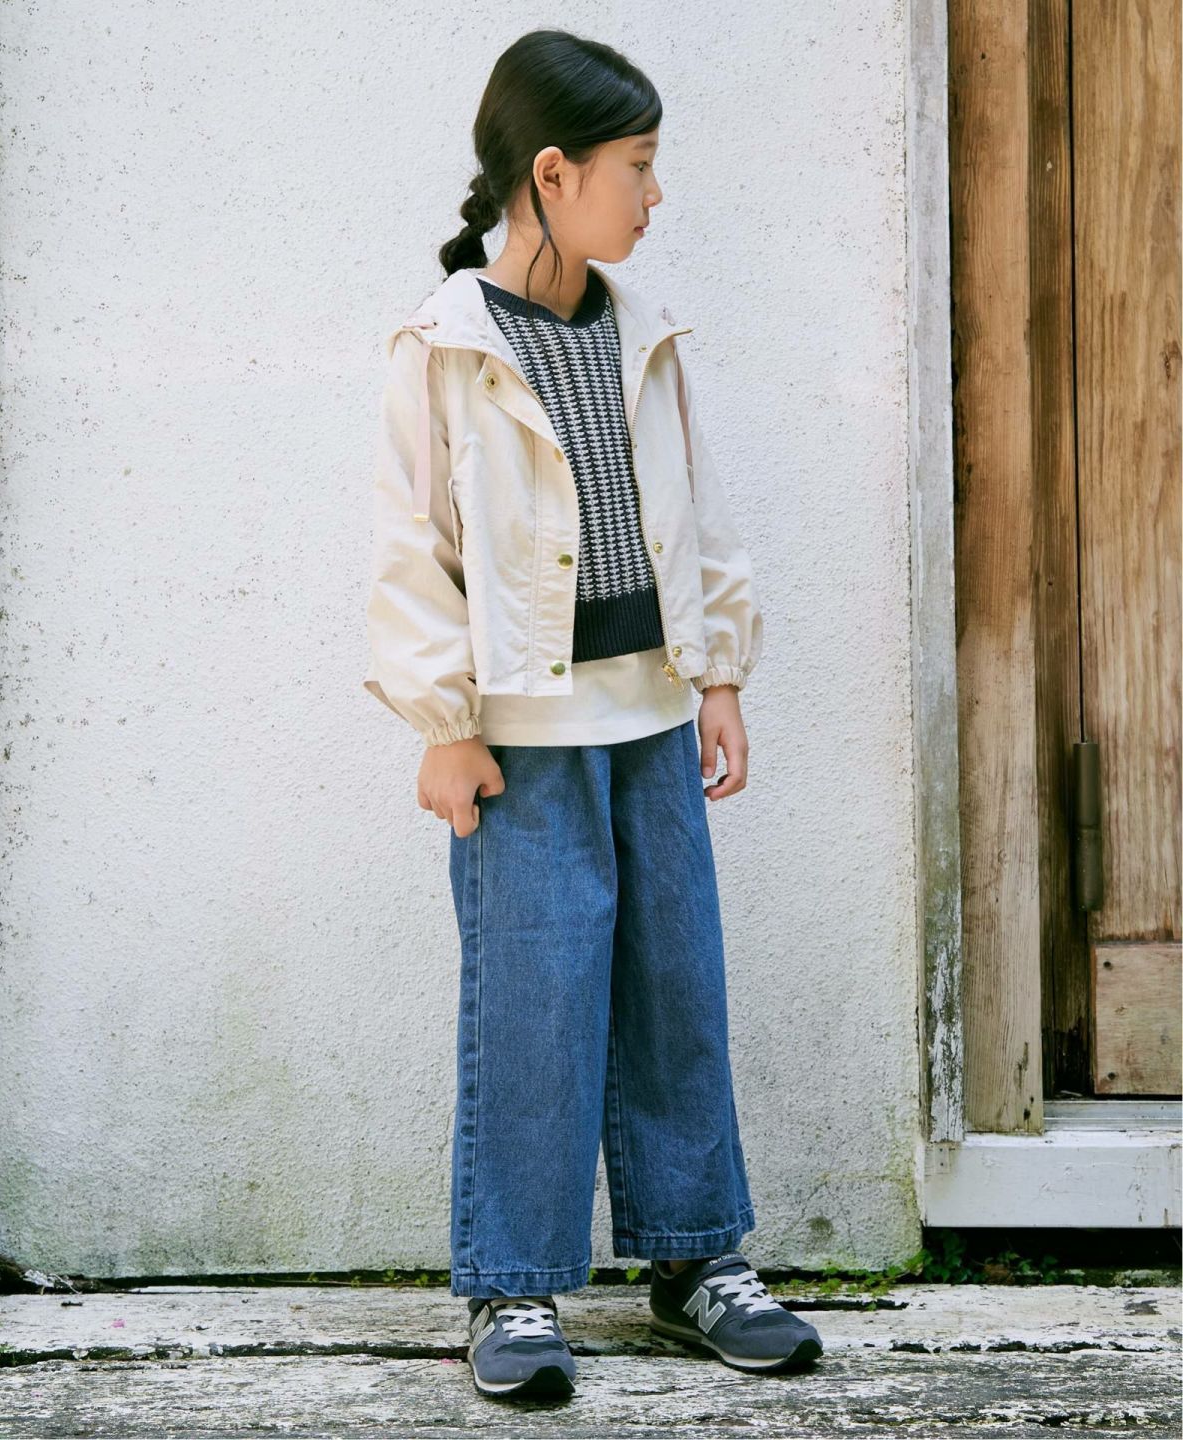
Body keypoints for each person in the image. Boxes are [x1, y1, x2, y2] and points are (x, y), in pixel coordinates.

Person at [364, 28, 823, 1402]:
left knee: (678, 988)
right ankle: (515, 1284)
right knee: (536, 1005)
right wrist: (444, 724)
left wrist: (719, 675)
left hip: (652, 717)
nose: (656, 194)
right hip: (521, 741)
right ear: (553, 174)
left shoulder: (644, 329)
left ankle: (696, 1261)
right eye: (640, 165)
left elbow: (701, 509)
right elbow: (408, 549)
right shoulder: (443, 347)